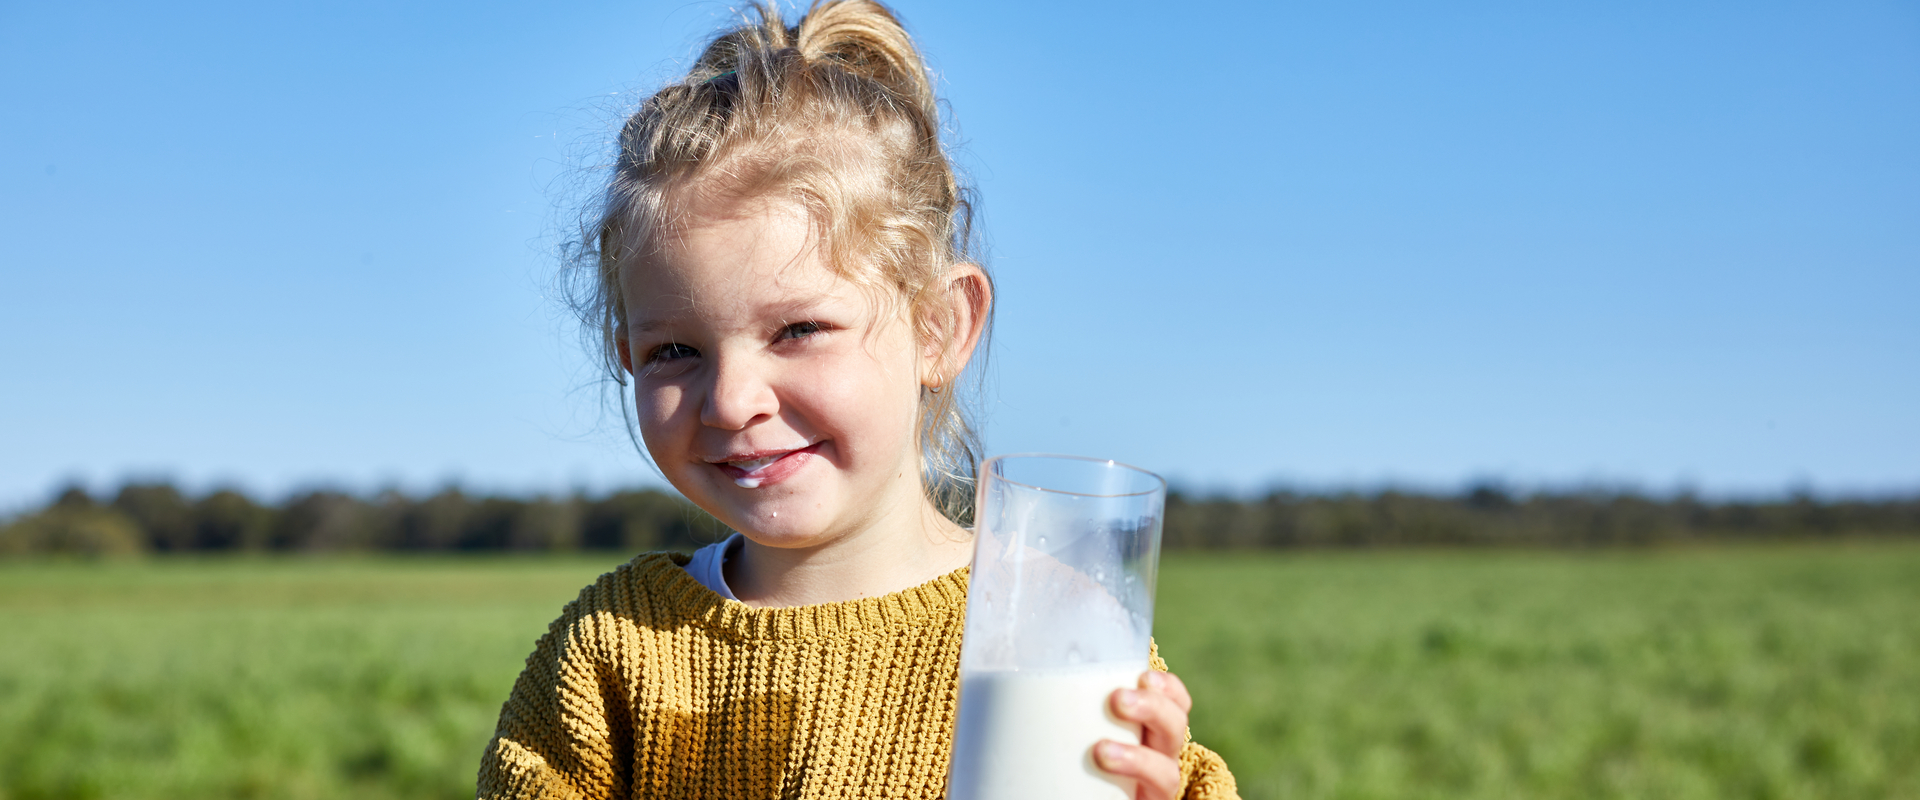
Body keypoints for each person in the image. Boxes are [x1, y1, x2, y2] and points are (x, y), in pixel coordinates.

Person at [476, 2, 1238, 797]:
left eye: (799, 329)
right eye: (675, 351)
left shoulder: (1056, 629)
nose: (732, 401)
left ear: (939, 325)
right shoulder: (613, 652)